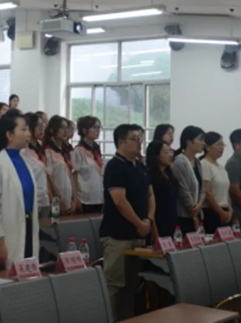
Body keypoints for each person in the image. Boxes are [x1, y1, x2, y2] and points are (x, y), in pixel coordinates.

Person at [99, 124, 155, 321]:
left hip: (139, 233)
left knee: (132, 284)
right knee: (114, 284)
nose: (139, 143)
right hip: (117, 234)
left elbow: (150, 195)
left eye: (141, 139)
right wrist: (139, 224)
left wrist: (148, 220)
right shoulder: (115, 166)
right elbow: (120, 201)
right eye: (135, 139)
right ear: (121, 142)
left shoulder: (140, 166)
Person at [0, 113, 38, 270]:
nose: (28, 134)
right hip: (7, 232)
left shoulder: (26, 161)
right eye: (23, 129)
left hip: (27, 225)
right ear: (9, 135)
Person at [171, 126, 206, 234]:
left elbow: (202, 189)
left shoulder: (197, 162)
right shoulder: (179, 162)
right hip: (184, 216)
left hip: (197, 213)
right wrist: (193, 210)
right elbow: (183, 190)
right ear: (189, 142)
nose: (203, 143)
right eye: (200, 139)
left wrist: (199, 205)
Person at [43, 116, 78, 214]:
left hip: (68, 196)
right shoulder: (48, 151)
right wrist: (58, 199)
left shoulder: (65, 151)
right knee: (56, 221)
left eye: (67, 128)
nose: (66, 131)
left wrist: (75, 198)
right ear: (52, 130)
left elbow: (70, 174)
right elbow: (49, 178)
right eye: (62, 127)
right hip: (56, 199)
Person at [146, 140, 178, 241]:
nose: (170, 155)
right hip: (158, 224)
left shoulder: (169, 175)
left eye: (170, 151)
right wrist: (154, 229)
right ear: (156, 155)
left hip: (171, 224)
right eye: (166, 152)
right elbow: (150, 205)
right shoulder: (150, 176)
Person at [200, 132, 232, 233]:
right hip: (211, 212)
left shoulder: (222, 168)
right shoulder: (204, 165)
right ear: (208, 147)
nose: (221, 148)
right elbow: (207, 194)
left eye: (223, 145)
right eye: (218, 145)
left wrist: (229, 210)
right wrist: (221, 212)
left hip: (225, 211)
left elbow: (226, 192)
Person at [71, 116, 104, 214]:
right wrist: (75, 198)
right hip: (85, 198)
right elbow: (74, 176)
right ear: (84, 130)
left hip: (98, 197)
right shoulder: (78, 151)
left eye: (99, 128)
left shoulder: (96, 149)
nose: (97, 130)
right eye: (94, 127)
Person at [23, 112, 52, 218]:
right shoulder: (24, 150)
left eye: (42, 125)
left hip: (44, 198)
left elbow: (46, 173)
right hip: (32, 200)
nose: (42, 128)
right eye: (38, 125)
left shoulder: (41, 149)